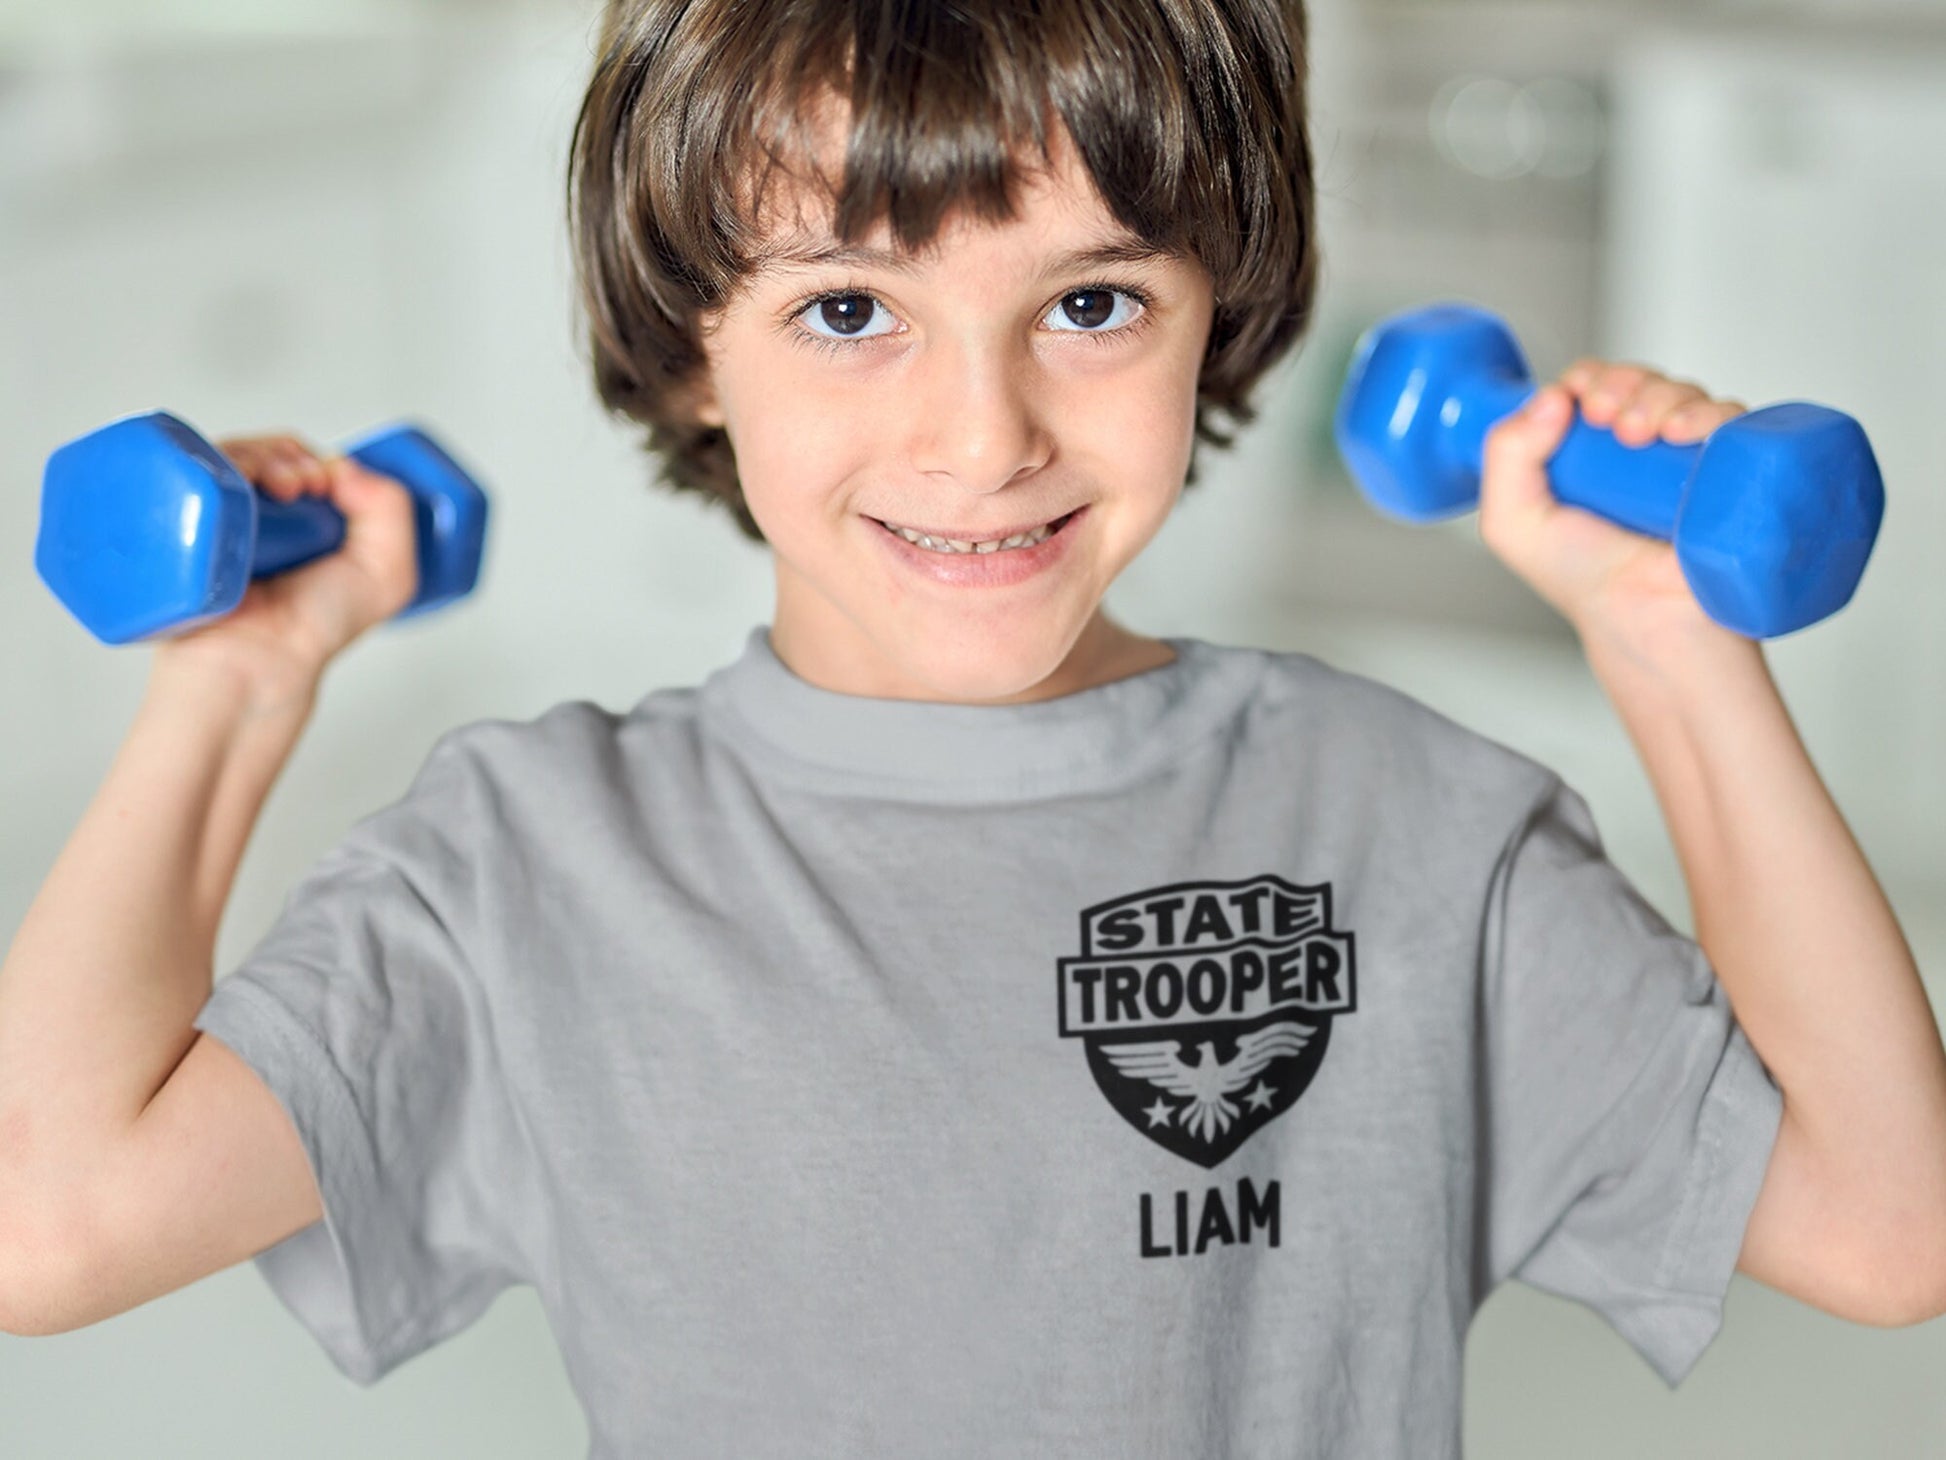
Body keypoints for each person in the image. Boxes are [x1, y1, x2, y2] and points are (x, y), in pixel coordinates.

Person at [4, 0, 1944, 1454]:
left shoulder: (1414, 821)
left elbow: (1882, 1225)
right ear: (694, 352)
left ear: (1224, 313)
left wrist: (1675, 641)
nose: (984, 435)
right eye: (851, 313)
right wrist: (235, 688)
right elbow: (48, 1223)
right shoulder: (531, 868)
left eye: (1092, 303)